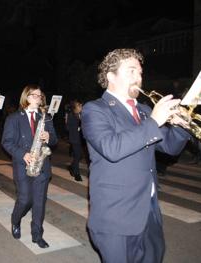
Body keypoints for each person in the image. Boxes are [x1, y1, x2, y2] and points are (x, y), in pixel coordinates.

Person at [81, 49, 191, 263]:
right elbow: (111, 148)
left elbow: (169, 147)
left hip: (148, 212)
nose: (138, 78)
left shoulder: (143, 110)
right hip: (116, 216)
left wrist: (182, 126)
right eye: (131, 71)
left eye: (140, 72)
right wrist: (154, 122)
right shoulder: (95, 110)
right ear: (111, 77)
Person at [1, 85, 58, 249]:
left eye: (40, 96)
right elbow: (7, 142)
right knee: (25, 199)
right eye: (35, 95)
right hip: (23, 165)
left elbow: (54, 139)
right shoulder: (14, 118)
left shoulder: (46, 117)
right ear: (26, 97)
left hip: (42, 165)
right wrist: (22, 154)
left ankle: (37, 235)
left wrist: (49, 137)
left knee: (39, 202)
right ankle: (15, 220)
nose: (38, 98)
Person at [67, 99, 84, 181]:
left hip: (81, 138)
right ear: (75, 107)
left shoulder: (82, 114)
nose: (81, 107)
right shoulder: (71, 115)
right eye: (79, 106)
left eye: (81, 105)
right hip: (74, 138)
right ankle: (76, 173)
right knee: (77, 155)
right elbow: (68, 128)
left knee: (79, 155)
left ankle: (72, 166)